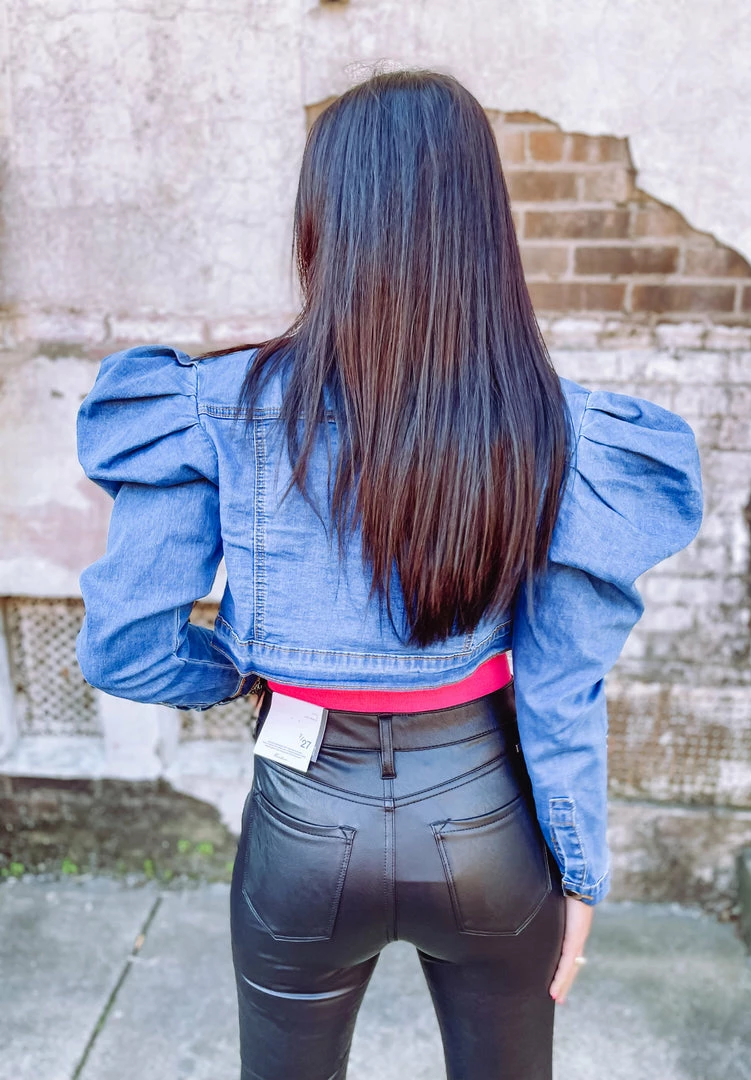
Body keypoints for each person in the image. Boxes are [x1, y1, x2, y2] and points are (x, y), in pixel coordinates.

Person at [75, 69, 702, 1080]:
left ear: (323, 219)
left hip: (302, 825)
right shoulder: (562, 429)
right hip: (487, 824)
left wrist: (242, 670)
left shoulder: (210, 406)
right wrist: (580, 874)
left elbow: (126, 650)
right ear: (483, 228)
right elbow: (560, 689)